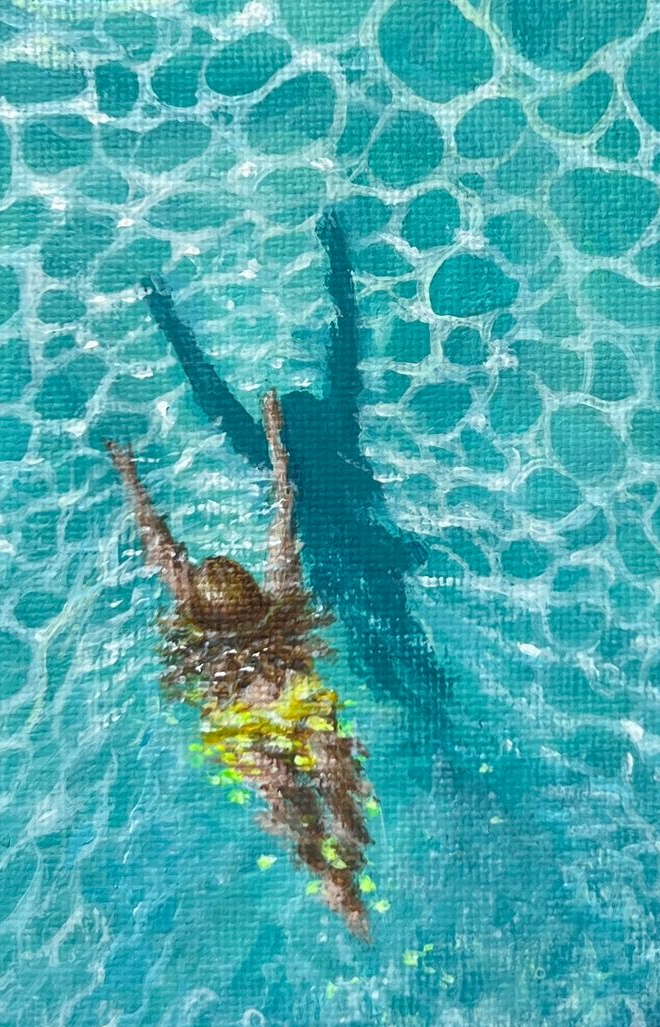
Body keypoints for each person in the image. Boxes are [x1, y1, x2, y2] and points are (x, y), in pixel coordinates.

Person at [142, 212, 447, 713]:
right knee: (403, 630)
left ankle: (417, 712)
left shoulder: (265, 449)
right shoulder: (340, 425)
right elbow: (346, 342)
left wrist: (168, 317)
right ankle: (435, 709)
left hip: (330, 564)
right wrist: (338, 256)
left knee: (372, 645)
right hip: (374, 547)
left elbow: (207, 386)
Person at [105, 393, 377, 940]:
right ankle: (346, 867)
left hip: (238, 726)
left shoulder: (193, 624)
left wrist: (131, 479)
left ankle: (332, 881)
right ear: (253, 595)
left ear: (203, 610)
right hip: (297, 705)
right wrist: (275, 441)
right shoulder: (280, 600)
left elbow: (161, 546)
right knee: (333, 769)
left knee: (282, 792)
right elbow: (285, 510)